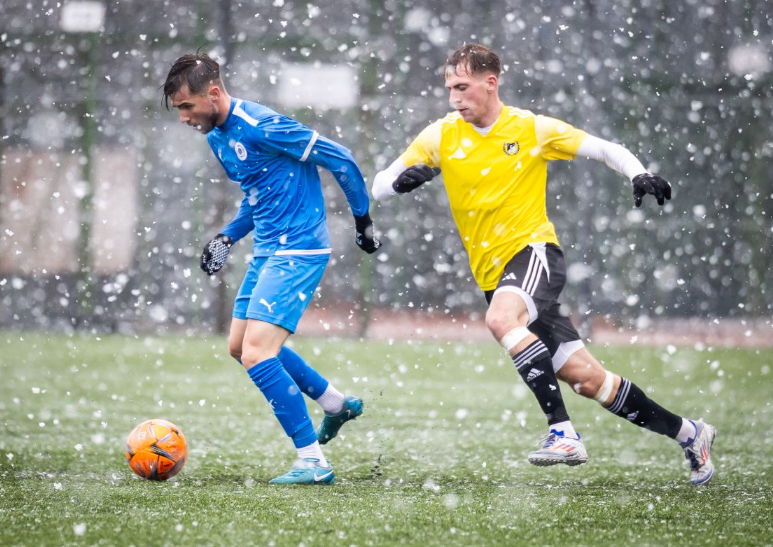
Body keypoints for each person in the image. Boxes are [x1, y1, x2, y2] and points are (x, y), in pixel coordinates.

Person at [373, 43, 716, 485]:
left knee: (500, 319)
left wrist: (639, 173)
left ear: (490, 82)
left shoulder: (530, 128)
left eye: (462, 87)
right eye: (449, 89)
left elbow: (606, 148)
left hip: (534, 255)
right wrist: (399, 183)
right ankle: (690, 433)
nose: (455, 98)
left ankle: (562, 432)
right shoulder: (440, 135)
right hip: (496, 276)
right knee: (590, 382)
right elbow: (379, 183)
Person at [163, 53, 381, 485]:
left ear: (214, 93)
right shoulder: (217, 138)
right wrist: (226, 236)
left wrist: (363, 220)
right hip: (268, 251)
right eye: (179, 110)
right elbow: (257, 194)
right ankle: (337, 405)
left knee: (258, 352)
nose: (184, 118)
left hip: (299, 250)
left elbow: (341, 159)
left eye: (187, 107)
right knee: (239, 346)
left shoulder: (262, 124)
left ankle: (313, 462)